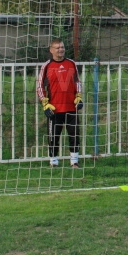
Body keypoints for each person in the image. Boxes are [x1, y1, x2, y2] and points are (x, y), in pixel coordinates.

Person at [36, 39, 83, 168]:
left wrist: (79, 97)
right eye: (57, 48)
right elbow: (39, 86)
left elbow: (77, 82)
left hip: (71, 107)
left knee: (74, 135)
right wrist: (45, 103)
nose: (60, 50)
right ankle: (53, 162)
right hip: (54, 109)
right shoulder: (46, 66)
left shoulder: (71, 63)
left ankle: (74, 162)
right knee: (53, 137)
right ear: (51, 50)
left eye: (62, 47)